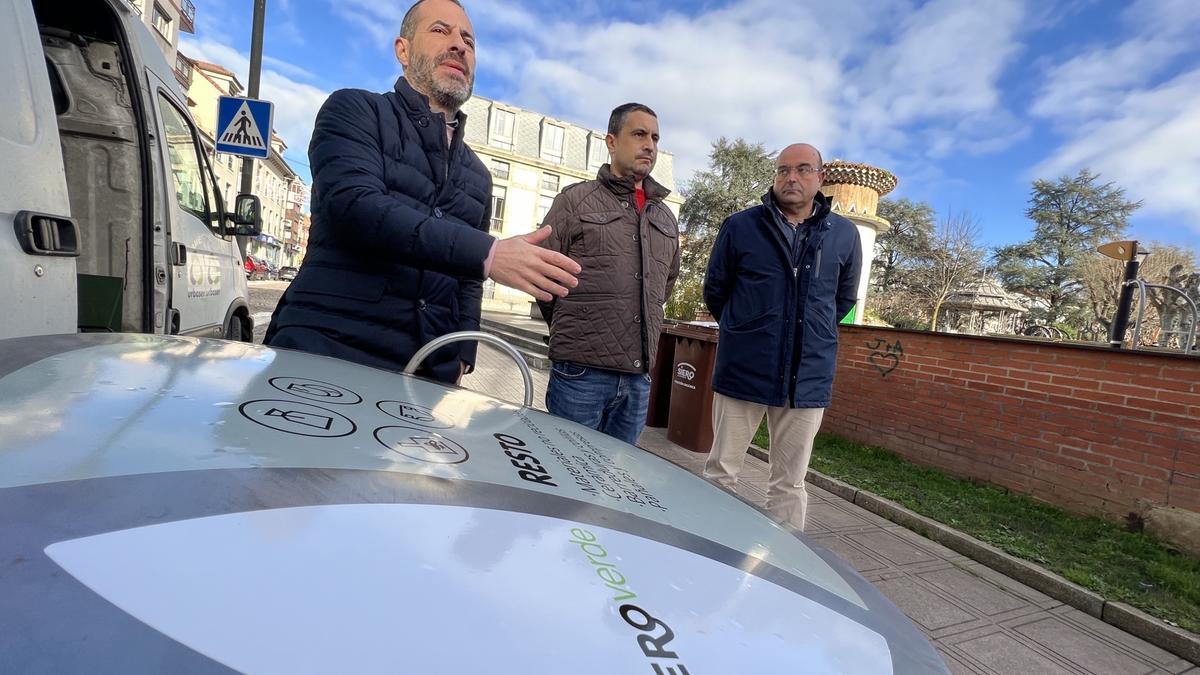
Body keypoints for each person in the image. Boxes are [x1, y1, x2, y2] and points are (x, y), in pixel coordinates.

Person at [265, 0, 580, 382]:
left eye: (469, 41)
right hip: (327, 350)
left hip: (427, 371)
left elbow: (468, 282)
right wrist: (489, 253)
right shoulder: (355, 110)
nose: (459, 45)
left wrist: (462, 355)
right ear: (403, 50)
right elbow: (355, 207)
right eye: (440, 30)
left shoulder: (479, 176)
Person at [701, 143, 861, 530]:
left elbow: (841, 300)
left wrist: (809, 334)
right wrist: (747, 332)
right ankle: (707, 545)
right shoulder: (741, 226)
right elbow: (716, 291)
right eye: (783, 170)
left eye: (803, 169)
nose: (791, 178)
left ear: (821, 178)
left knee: (789, 483)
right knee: (721, 473)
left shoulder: (844, 234)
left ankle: (782, 560)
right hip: (743, 370)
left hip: (807, 377)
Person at [536, 103, 680, 445]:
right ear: (612, 142)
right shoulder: (575, 201)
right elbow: (543, 276)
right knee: (565, 468)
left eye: (655, 138)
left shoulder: (665, 218)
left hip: (637, 380)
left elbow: (663, 288)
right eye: (639, 134)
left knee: (616, 475)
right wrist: (578, 331)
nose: (649, 145)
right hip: (580, 374)